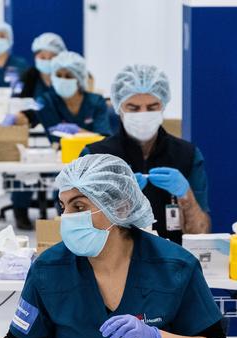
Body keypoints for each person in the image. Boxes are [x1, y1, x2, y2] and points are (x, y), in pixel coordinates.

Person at [0, 154, 228, 338]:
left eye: (79, 205)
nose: (66, 217)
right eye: (64, 206)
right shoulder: (48, 270)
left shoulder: (175, 266)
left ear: (120, 208)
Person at [82, 65, 211, 244]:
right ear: (119, 109)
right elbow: (81, 230)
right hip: (112, 261)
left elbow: (200, 234)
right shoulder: (95, 156)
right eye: (133, 108)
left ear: (163, 106)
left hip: (172, 260)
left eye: (152, 107)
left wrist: (185, 195)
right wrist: (115, 201)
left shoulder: (186, 155)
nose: (143, 115)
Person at [8, 33, 67, 231]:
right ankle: (20, 209)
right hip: (34, 129)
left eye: (52, 57)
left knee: (64, 173)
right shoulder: (29, 77)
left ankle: (64, 212)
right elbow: (21, 104)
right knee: (26, 169)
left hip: (62, 131)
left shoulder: (67, 75)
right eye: (43, 56)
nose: (47, 61)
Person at [35, 51, 112, 141]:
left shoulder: (96, 102)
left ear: (79, 80)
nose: (62, 80)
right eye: (58, 75)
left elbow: (104, 140)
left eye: (68, 76)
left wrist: (78, 132)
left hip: (94, 153)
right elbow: (56, 140)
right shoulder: (47, 102)